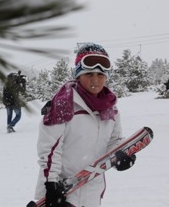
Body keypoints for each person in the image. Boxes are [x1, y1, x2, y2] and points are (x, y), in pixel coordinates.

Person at [33, 43, 135, 207]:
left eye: (100, 75)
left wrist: (120, 156)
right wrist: (50, 187)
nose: (95, 80)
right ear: (78, 75)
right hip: (63, 192)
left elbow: (113, 141)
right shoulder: (62, 105)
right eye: (89, 74)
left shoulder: (110, 108)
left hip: (93, 191)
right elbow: (49, 152)